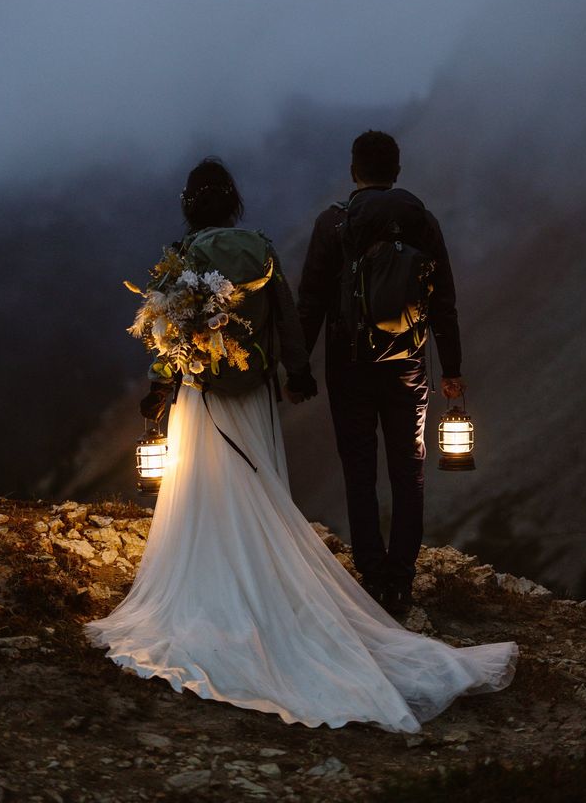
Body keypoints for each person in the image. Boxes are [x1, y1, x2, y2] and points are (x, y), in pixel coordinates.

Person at [86, 158, 516, 732]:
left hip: (204, 392)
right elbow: (289, 313)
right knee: (273, 478)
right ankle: (341, 580)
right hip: (257, 391)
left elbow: (169, 335)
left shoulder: (182, 259)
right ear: (233, 202)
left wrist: (160, 392)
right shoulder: (260, 248)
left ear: (190, 204)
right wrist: (296, 372)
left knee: (207, 485)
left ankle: (221, 577)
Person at [297, 131, 463, 616]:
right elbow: (443, 301)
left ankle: (371, 575)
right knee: (408, 469)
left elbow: (311, 301)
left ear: (354, 171)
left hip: (349, 364)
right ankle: (401, 578)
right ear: (397, 170)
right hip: (407, 363)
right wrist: (451, 368)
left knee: (359, 469)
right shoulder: (421, 222)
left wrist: (298, 366)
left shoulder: (334, 223)